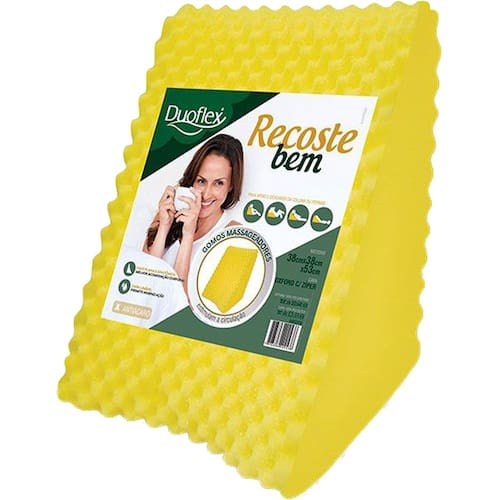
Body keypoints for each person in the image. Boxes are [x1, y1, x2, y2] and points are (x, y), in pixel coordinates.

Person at [143, 134, 243, 292]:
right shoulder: (168, 214)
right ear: (192, 179)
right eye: (201, 181)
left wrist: (188, 236)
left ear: (231, 185)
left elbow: (181, 301)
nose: (206, 194)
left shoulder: (234, 235)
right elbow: (143, 278)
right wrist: (164, 227)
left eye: (219, 183)